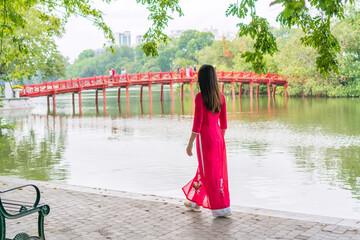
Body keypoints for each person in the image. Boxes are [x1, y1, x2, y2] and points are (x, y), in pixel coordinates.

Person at [182, 64, 231, 217]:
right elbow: (224, 125)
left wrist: (190, 144)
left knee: (208, 172)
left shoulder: (200, 97)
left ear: (202, 80)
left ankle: (219, 208)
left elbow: (197, 125)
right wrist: (219, 139)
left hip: (206, 139)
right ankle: (196, 202)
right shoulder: (220, 97)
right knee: (208, 170)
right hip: (218, 138)